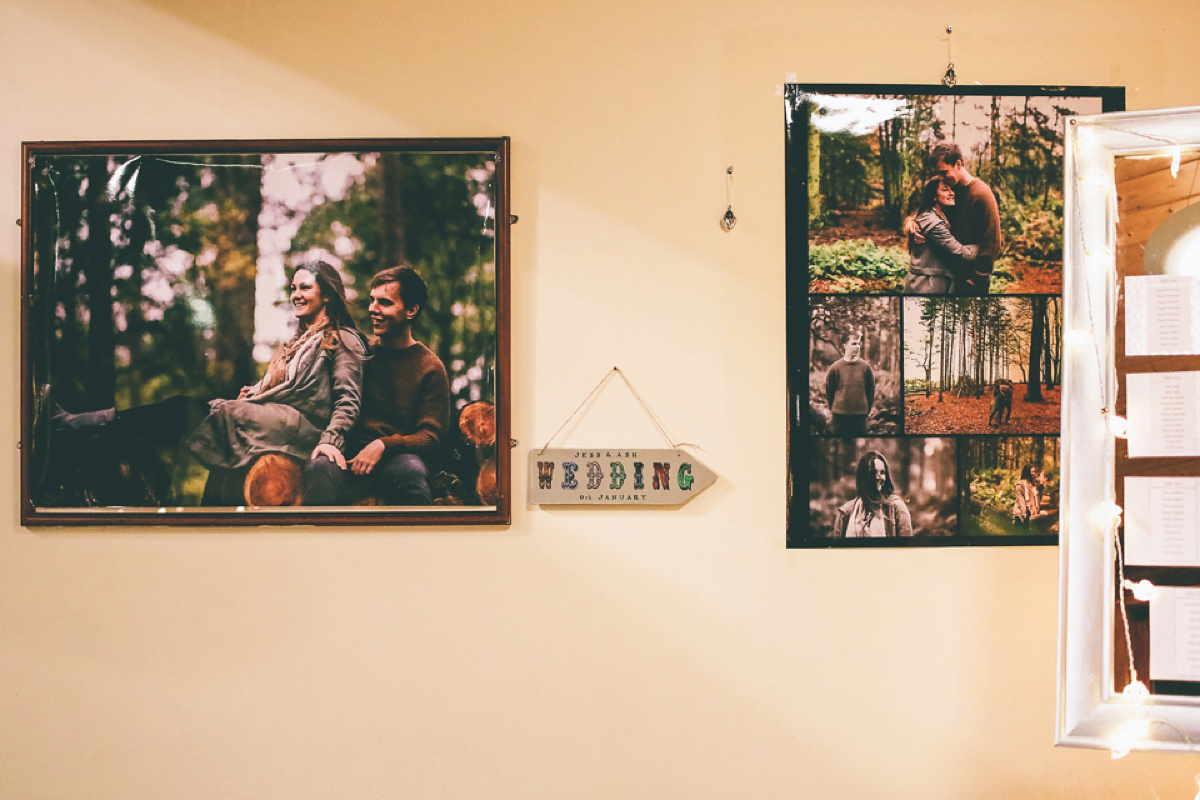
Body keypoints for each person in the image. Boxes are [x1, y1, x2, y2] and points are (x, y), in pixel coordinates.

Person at [51, 261, 366, 504]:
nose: (296, 294)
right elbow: (290, 386)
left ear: (326, 293)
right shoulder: (298, 341)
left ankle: (79, 424)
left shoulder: (342, 339)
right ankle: (86, 427)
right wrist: (258, 391)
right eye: (293, 288)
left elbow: (346, 400)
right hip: (273, 423)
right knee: (193, 421)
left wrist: (331, 440)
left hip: (304, 434)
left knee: (185, 410)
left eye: (305, 288)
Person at [305, 266, 450, 505]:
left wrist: (383, 444)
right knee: (320, 466)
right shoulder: (356, 355)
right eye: (372, 301)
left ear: (411, 310)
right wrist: (261, 394)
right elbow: (312, 394)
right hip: (346, 458)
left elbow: (430, 437)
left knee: (413, 471)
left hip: (397, 460)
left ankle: (421, 542)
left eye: (384, 302)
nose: (373, 309)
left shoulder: (430, 367)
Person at [928, 142, 1002, 295]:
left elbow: (992, 240)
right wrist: (912, 226)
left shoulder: (981, 194)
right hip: (949, 275)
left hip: (973, 278)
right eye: (938, 174)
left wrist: (979, 277)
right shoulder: (948, 190)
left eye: (944, 172)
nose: (941, 178)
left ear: (958, 164)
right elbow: (925, 211)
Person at [903, 177, 980, 294]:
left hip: (931, 282)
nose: (951, 193)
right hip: (925, 285)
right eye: (945, 190)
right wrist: (985, 247)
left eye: (952, 190)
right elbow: (960, 252)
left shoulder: (941, 214)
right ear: (934, 197)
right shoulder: (934, 223)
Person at [832, 450, 913, 538]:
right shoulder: (845, 513)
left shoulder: (897, 508)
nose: (879, 477)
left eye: (882, 472)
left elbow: (906, 548)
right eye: (873, 473)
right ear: (863, 477)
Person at [824, 332, 875, 436]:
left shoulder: (866, 367)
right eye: (854, 344)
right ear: (845, 345)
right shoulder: (835, 367)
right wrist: (834, 408)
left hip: (860, 417)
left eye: (859, 344)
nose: (857, 347)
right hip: (839, 416)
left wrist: (866, 410)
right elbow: (829, 390)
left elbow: (870, 391)